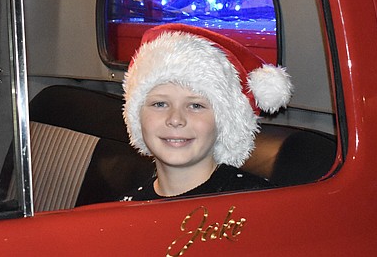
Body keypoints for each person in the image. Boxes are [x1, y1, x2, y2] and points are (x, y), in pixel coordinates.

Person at [121, 23, 293, 201]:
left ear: (224, 121)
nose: (175, 119)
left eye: (195, 106)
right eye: (160, 104)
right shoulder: (125, 209)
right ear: (136, 116)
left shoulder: (258, 203)